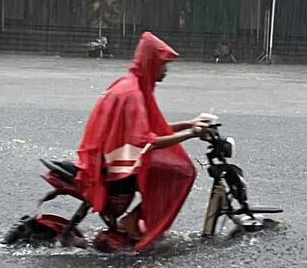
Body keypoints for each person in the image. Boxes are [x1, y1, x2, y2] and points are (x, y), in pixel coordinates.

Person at [75, 31, 210, 252]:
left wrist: (189, 124)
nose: (166, 71)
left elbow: (152, 131)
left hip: (109, 155)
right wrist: (193, 132)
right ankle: (134, 221)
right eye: (163, 65)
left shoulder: (132, 84)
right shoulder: (133, 93)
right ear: (151, 63)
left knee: (177, 168)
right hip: (114, 167)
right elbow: (150, 141)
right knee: (182, 171)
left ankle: (137, 219)